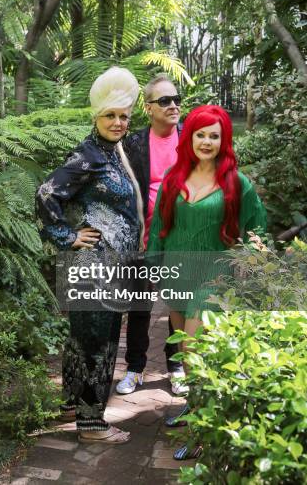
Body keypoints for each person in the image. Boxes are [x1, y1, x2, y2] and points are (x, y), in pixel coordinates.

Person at [147, 104, 267, 459]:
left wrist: (252, 262)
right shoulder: (173, 176)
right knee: (184, 349)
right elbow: (158, 227)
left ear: (223, 140)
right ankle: (194, 406)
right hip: (177, 272)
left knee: (195, 352)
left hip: (214, 279)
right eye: (201, 134)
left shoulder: (236, 182)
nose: (207, 141)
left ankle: (203, 430)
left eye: (214, 135)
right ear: (190, 137)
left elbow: (257, 230)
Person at [36, 67, 144, 444]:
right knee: (99, 340)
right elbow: (47, 194)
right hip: (95, 267)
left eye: (123, 116)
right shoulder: (87, 155)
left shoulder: (112, 152)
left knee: (84, 338)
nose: (117, 122)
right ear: (96, 116)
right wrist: (66, 236)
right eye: (110, 115)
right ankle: (92, 424)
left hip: (108, 268)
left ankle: (72, 404)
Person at [116, 73, 186, 396]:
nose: (173, 106)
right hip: (143, 239)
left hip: (181, 240)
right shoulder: (133, 143)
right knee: (140, 306)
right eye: (164, 101)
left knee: (178, 304)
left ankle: (176, 366)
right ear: (149, 108)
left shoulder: (191, 138)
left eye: (176, 99)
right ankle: (134, 367)